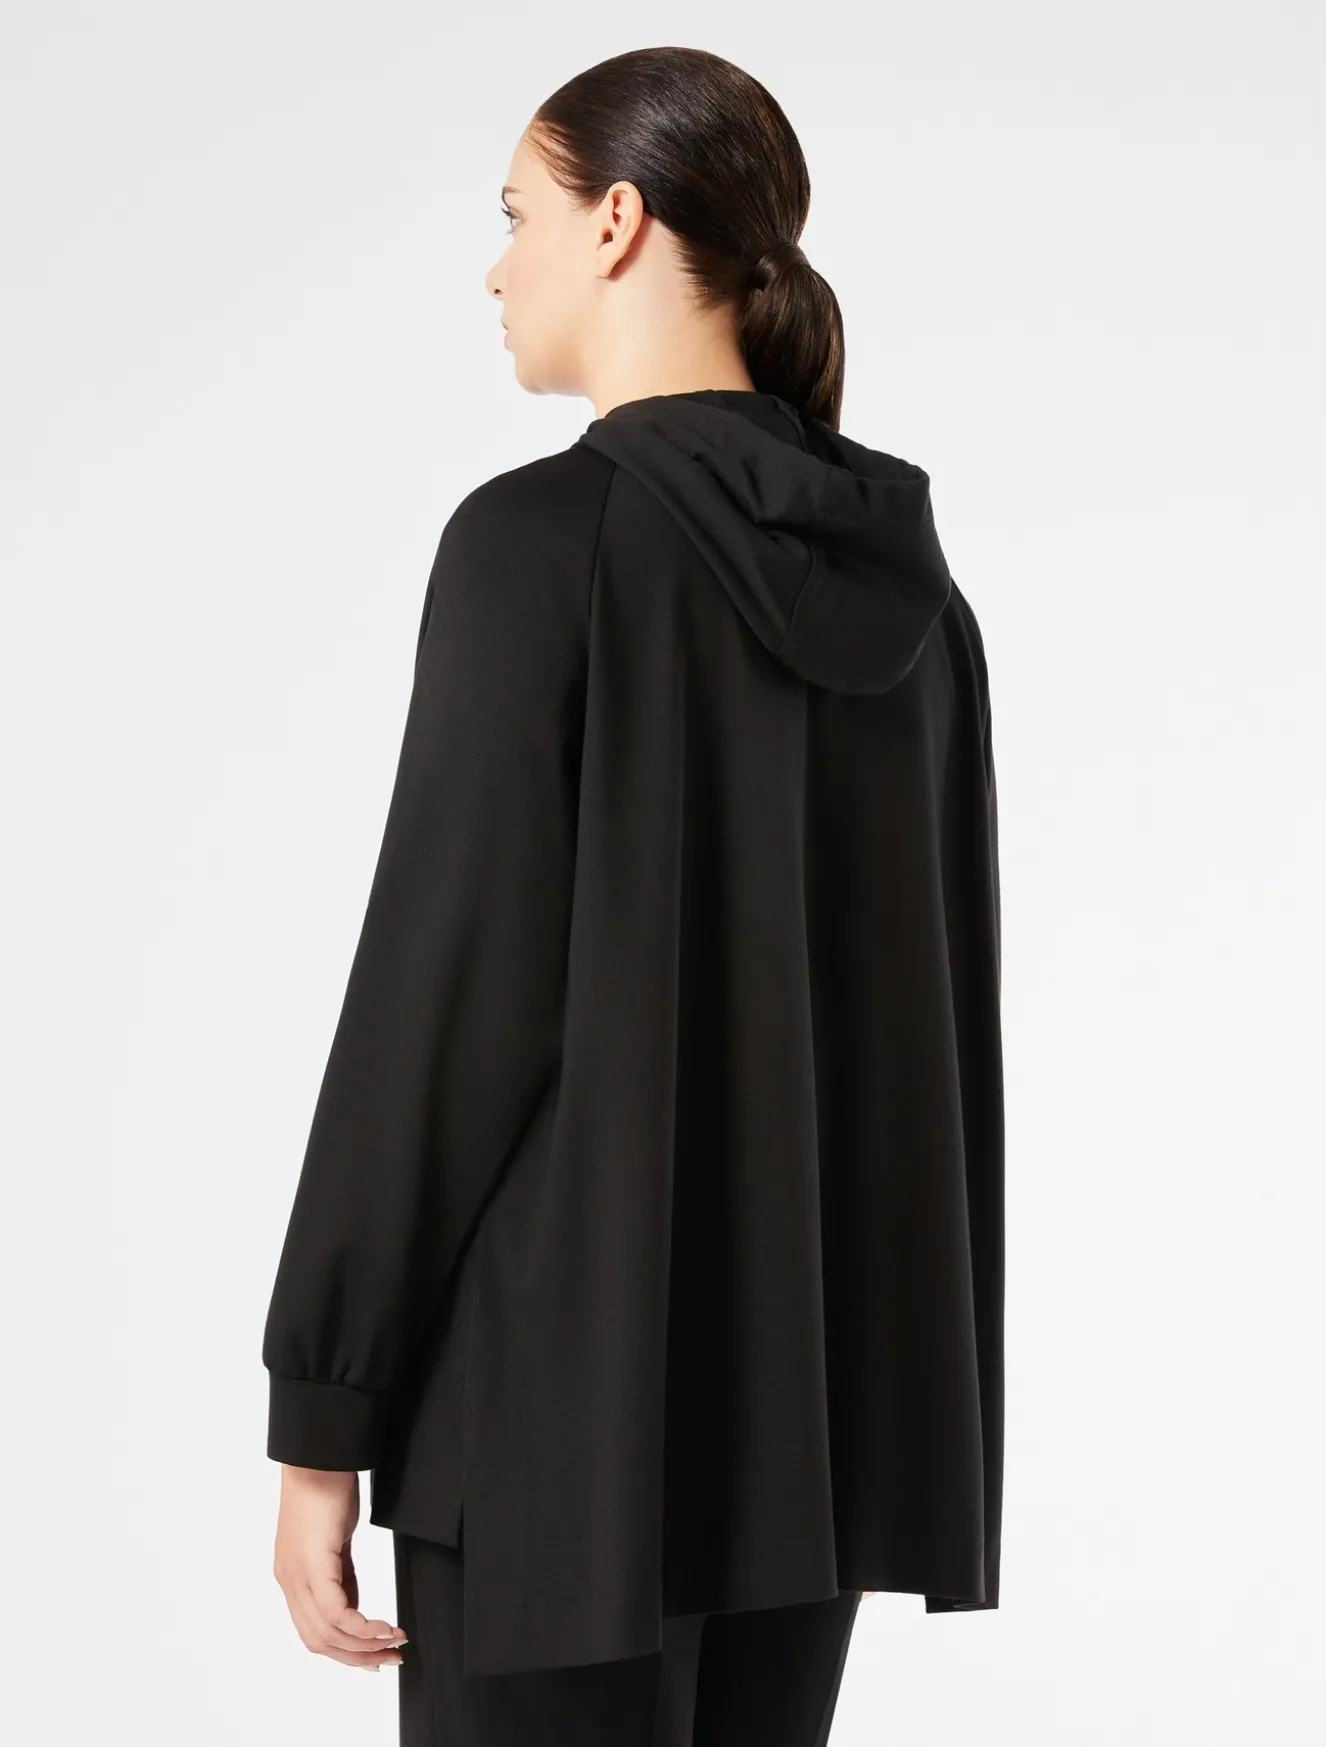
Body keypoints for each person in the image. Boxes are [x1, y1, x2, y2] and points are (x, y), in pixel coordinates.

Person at [262, 44, 1004, 1747]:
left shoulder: (543, 543)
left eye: (515, 215)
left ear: (615, 222)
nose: (495, 267)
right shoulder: (910, 596)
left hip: (546, 1431)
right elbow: (927, 1043)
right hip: (812, 1438)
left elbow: (442, 1001)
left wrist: (323, 1410)